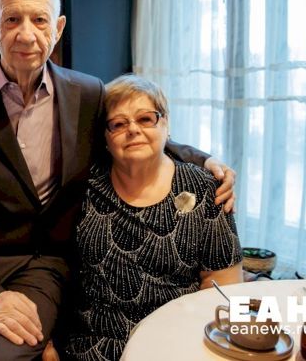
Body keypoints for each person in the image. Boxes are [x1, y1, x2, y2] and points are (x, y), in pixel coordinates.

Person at [0, 0, 236, 361]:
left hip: (38, 269)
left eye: (39, 20)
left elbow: (133, 130)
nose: (27, 34)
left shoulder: (86, 93)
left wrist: (204, 160)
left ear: (57, 28)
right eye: (12, 19)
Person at [60, 75, 243, 360]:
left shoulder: (205, 189)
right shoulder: (84, 186)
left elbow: (222, 285)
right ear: (104, 137)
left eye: (146, 119)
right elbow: (57, 265)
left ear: (165, 124)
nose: (133, 130)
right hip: (94, 345)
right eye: (118, 124)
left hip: (176, 343)